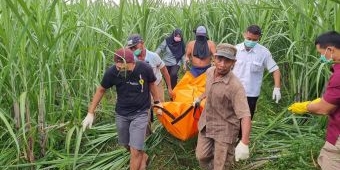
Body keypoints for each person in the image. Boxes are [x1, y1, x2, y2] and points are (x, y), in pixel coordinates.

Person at [82, 48, 162, 170]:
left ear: (132, 62)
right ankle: (143, 157)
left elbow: (152, 84)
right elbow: (101, 89)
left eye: (123, 68)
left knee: (135, 150)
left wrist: (157, 102)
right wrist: (90, 112)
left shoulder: (144, 68)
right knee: (126, 144)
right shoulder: (112, 72)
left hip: (140, 112)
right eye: (118, 68)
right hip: (122, 113)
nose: (120, 71)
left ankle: (139, 157)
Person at [194, 43, 252, 169]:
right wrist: (200, 97)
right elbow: (210, 88)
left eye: (227, 61)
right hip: (207, 123)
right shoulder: (209, 72)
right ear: (214, 58)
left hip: (225, 128)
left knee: (221, 165)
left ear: (233, 63)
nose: (222, 64)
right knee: (201, 156)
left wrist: (244, 142)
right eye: (219, 59)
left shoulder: (235, 86)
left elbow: (245, 114)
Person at [288, 31, 340, 170]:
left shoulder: (338, 75)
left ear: (330, 50)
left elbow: (324, 109)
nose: (321, 57)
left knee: (330, 161)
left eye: (321, 53)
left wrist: (305, 107)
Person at [127, 34, 173, 136]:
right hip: (142, 88)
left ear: (142, 43)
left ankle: (167, 129)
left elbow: (165, 72)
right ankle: (147, 134)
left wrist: (169, 88)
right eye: (131, 48)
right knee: (144, 112)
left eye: (135, 47)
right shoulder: (132, 60)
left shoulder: (153, 56)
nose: (134, 50)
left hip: (156, 85)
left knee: (161, 108)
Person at [233, 24, 281, 120]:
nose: (251, 42)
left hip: (251, 94)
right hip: (233, 91)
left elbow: (275, 70)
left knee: (246, 120)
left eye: (254, 40)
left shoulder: (263, 53)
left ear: (259, 38)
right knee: (231, 119)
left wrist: (277, 88)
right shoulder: (235, 49)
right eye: (249, 38)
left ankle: (243, 135)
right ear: (244, 34)